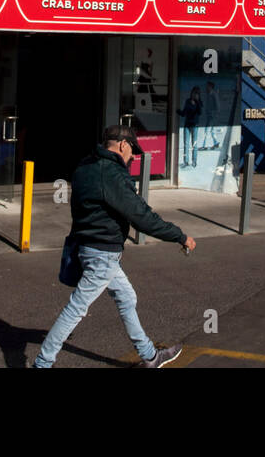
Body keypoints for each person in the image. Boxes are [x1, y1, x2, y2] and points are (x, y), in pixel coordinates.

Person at [33, 125, 196, 369]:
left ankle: (150, 356)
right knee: (76, 308)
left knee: (126, 297)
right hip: (103, 253)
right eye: (132, 151)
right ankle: (42, 363)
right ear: (123, 145)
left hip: (88, 246)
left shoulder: (84, 166)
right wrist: (179, 236)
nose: (132, 157)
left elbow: (79, 209)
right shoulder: (112, 173)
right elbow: (141, 216)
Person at [179, 87, 202, 167]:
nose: (194, 95)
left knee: (194, 144)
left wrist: (197, 102)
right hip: (187, 125)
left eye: (196, 93)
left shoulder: (199, 103)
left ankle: (194, 161)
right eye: (193, 93)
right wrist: (177, 111)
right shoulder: (187, 101)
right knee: (186, 144)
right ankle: (186, 161)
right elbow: (184, 113)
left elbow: (200, 112)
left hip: (195, 126)